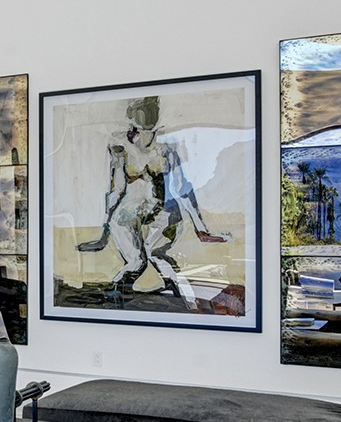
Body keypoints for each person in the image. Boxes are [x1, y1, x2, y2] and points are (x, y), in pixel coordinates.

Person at [75, 96, 228, 298]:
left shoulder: (165, 147)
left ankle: (184, 295)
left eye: (150, 110)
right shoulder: (119, 145)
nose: (147, 116)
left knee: (155, 254)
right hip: (128, 211)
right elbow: (117, 188)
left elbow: (182, 188)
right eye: (143, 110)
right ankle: (116, 298)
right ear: (132, 116)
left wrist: (201, 229)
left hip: (162, 211)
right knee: (136, 261)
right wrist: (104, 234)